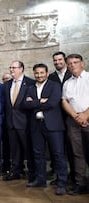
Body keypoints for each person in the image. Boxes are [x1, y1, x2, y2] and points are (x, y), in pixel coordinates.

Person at [22, 63, 67, 195]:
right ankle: (40, 179)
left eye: (42, 72)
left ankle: (61, 183)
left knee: (58, 154)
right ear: (34, 74)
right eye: (37, 73)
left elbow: (53, 103)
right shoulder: (30, 88)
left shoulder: (55, 86)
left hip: (53, 125)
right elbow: (25, 104)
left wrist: (34, 103)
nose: (39, 75)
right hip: (36, 125)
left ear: (47, 73)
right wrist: (41, 101)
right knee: (38, 154)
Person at [3, 60, 35, 182]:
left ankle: (32, 173)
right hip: (11, 122)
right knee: (14, 149)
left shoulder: (31, 83)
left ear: (21, 69)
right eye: (10, 67)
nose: (11, 70)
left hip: (25, 122)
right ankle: (15, 171)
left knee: (28, 148)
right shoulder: (7, 85)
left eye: (14, 68)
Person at [62, 54, 89, 195]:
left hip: (88, 117)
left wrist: (85, 115)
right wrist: (74, 115)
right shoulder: (67, 83)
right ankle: (80, 183)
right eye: (70, 63)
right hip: (73, 121)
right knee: (77, 153)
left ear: (82, 64)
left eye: (75, 62)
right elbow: (64, 101)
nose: (73, 65)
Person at [48, 51, 74, 185]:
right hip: (55, 117)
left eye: (60, 60)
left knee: (72, 149)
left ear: (64, 60)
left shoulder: (73, 75)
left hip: (71, 117)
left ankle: (74, 176)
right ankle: (58, 175)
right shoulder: (51, 77)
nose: (57, 62)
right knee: (57, 150)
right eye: (55, 60)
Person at [1, 73, 12, 173]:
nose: (6, 81)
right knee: (6, 146)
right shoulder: (1, 89)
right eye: (4, 79)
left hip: (15, 121)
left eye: (8, 78)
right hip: (3, 122)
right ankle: (6, 166)